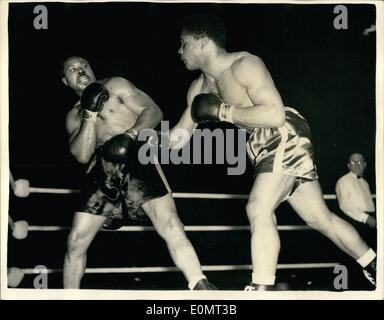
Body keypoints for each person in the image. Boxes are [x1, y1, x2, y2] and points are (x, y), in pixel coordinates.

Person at [169, 14, 377, 289]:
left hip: (281, 133)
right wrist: (139, 138)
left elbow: (274, 114)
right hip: (259, 146)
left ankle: (262, 288)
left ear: (202, 41)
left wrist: (223, 111)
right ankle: (374, 263)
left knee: (258, 207)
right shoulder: (197, 89)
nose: (179, 51)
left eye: (183, 44)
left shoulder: (244, 64)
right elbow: (178, 138)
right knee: (319, 217)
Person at [61, 56, 216, 290]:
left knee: (170, 224)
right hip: (102, 168)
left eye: (84, 65)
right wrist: (89, 114)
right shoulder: (73, 116)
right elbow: (82, 155)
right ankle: (68, 296)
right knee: (76, 240)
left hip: (136, 154)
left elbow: (153, 111)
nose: (80, 70)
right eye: (73, 69)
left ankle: (201, 287)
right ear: (66, 81)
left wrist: (130, 135)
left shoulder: (116, 84)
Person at [336, 153, 376, 248]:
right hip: (355, 222)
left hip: (370, 222)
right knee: (358, 256)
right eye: (353, 162)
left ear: (364, 164)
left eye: (359, 161)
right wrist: (366, 218)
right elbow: (345, 205)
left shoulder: (365, 183)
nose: (357, 164)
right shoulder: (343, 181)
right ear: (348, 165)